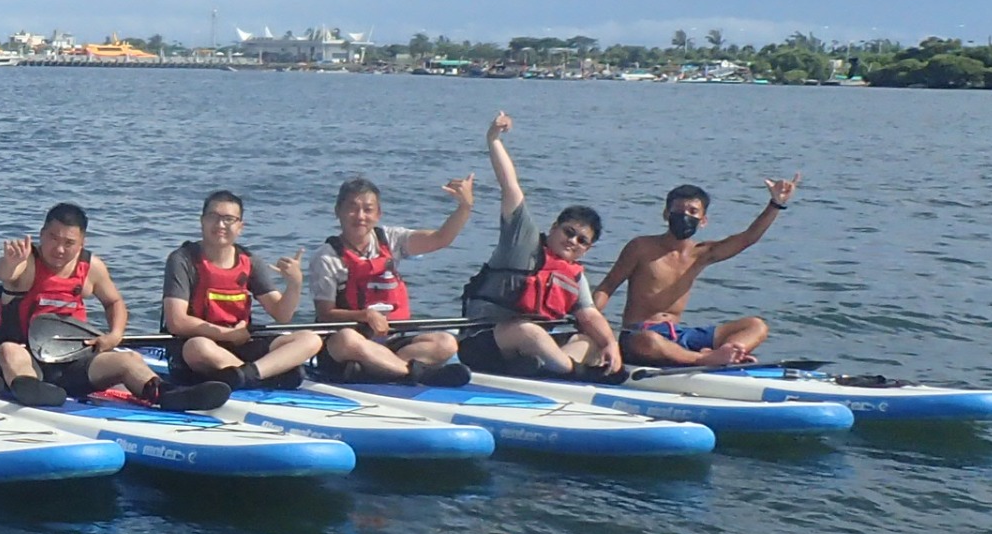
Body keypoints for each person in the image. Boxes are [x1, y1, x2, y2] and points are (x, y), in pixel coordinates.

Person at [456, 115, 623, 376]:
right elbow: (510, 187)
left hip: (534, 349)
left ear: (587, 249)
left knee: (589, 341)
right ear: (554, 227)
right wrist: (494, 139)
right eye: (569, 232)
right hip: (486, 342)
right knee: (530, 332)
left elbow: (589, 315)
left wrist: (611, 343)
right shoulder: (522, 243)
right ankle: (571, 371)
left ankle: (550, 369)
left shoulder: (574, 276)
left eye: (582, 240)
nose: (572, 241)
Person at [595, 177, 801, 368]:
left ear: (703, 220)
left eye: (693, 211)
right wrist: (590, 323)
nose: (685, 216)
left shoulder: (701, 254)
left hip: (679, 336)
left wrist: (775, 204)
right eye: (679, 210)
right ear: (666, 214)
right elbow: (607, 286)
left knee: (756, 326)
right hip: (641, 334)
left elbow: (748, 238)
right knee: (648, 341)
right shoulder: (641, 247)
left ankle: (728, 353)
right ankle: (705, 359)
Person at [0, 203, 163, 406]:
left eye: (69, 243)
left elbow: (114, 302)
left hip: (73, 361)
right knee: (9, 351)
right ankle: (33, 391)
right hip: (26, 358)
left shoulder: (91, 267)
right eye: (53, 238)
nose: (59, 249)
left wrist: (115, 334)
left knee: (129, 359)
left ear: (82, 242)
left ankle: (163, 393)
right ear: (42, 234)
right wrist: (10, 262)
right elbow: (2, 273)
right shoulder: (25, 263)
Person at [310, 173, 475, 386]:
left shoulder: (390, 239)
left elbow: (439, 239)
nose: (360, 216)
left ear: (378, 214)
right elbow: (325, 314)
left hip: (392, 338)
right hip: (351, 343)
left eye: (368, 209)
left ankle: (381, 369)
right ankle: (415, 374)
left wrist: (464, 207)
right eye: (352, 208)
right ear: (338, 212)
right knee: (347, 340)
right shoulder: (326, 257)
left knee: (446, 343)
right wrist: (365, 315)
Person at [161, 191, 323, 398]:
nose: (220, 225)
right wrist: (227, 334)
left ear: (240, 227)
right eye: (213, 217)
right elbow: (177, 322)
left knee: (310, 339)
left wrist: (294, 283)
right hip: (201, 345)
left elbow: (281, 314)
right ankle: (268, 374)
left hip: (242, 343)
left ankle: (247, 375)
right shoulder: (182, 260)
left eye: (229, 219)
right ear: (202, 221)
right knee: (198, 347)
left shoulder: (250, 261)